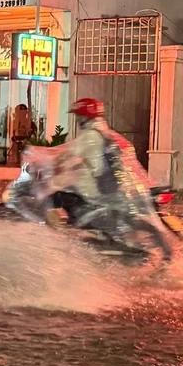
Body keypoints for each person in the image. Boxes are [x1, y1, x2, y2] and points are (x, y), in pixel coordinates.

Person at [56, 98, 172, 259]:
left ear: (84, 117)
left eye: (79, 117)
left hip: (104, 190)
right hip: (117, 187)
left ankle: (115, 252)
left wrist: (65, 170)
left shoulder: (91, 136)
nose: (77, 121)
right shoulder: (105, 132)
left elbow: (89, 164)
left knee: (88, 217)